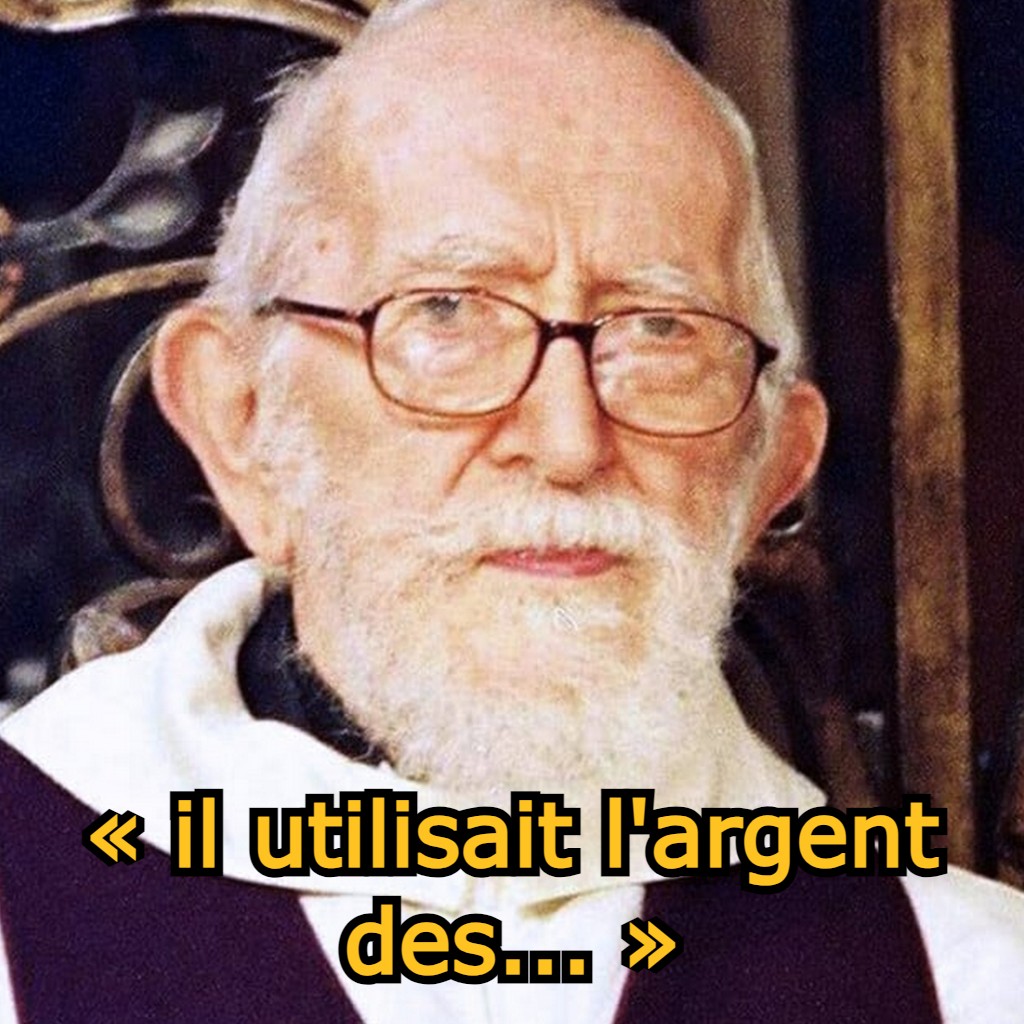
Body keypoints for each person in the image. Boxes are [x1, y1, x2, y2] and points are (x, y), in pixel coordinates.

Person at [1, 1, 1022, 1020]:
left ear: (770, 468)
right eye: (447, 311)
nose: (569, 441)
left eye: (660, 330)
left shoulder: (968, 982)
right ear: (242, 421)